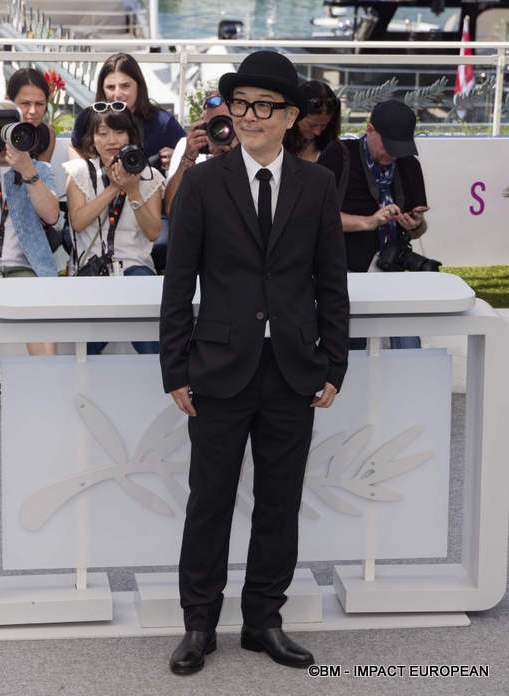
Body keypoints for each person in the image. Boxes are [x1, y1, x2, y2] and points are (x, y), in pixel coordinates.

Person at [160, 50, 349, 674]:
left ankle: (264, 618)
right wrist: (176, 368)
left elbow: (332, 281)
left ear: (290, 115)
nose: (247, 116)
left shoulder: (318, 186)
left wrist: (333, 363)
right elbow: (178, 281)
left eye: (263, 107)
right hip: (216, 367)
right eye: (238, 104)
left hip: (294, 367)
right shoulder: (205, 183)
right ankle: (198, 624)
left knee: (279, 499)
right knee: (207, 499)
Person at [318, 98, 429, 349]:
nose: (394, 153)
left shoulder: (408, 164)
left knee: (409, 344)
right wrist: (370, 222)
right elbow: (316, 218)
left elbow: (420, 229)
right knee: (350, 344)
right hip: (346, 269)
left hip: (392, 268)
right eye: (389, 145)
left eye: (401, 147)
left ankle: (408, 386)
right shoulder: (339, 155)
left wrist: (415, 224)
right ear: (369, 130)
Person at [0, 101, 60, 413]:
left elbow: (52, 216)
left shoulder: (41, 169)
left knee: (37, 308)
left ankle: (46, 385)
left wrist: (26, 170)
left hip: (26, 266)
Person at [63, 103, 164, 355]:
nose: (112, 140)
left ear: (131, 135)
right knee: (86, 343)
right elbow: (77, 222)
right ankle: (79, 390)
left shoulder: (150, 176)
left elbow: (153, 232)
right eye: (103, 133)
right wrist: (113, 188)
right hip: (91, 269)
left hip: (134, 267)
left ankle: (159, 383)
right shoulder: (79, 172)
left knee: (148, 331)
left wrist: (132, 191)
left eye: (119, 132)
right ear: (92, 139)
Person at [68, 52, 186, 173]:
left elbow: (189, 153)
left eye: (125, 86)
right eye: (110, 87)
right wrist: (82, 174)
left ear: (138, 86)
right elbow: (74, 146)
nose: (117, 94)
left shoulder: (163, 123)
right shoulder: (88, 118)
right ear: (102, 89)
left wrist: (177, 158)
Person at [164, 89, 238, 215]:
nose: (221, 131)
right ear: (203, 125)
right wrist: (188, 157)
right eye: (214, 124)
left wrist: (234, 156)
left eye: (226, 124)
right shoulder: (188, 146)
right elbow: (172, 208)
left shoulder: (247, 148)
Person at [6, 67, 56, 162]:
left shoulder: (46, 134)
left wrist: (26, 169)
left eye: (39, 104)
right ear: (8, 101)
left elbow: (43, 175)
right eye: (25, 103)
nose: (33, 111)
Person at [284, 79, 341, 162]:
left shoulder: (330, 149)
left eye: (324, 125)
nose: (318, 132)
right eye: (312, 125)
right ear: (294, 115)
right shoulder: (273, 142)